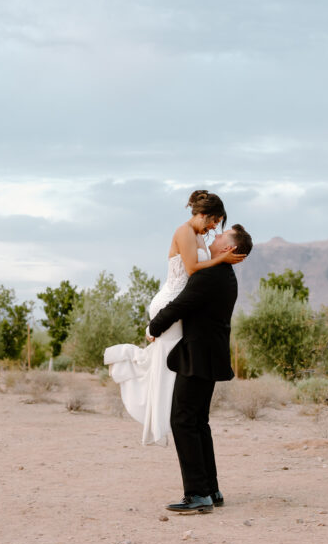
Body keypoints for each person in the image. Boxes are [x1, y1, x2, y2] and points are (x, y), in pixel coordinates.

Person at [104, 191, 245, 446]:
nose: (214, 227)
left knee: (172, 362)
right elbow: (191, 270)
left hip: (183, 304)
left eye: (218, 224)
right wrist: (222, 258)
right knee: (166, 360)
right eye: (214, 221)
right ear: (204, 215)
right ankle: (130, 363)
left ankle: (172, 413)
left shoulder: (200, 237)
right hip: (170, 301)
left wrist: (218, 259)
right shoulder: (184, 232)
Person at [147, 224, 253, 514]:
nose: (215, 236)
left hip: (197, 356)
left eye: (222, 235)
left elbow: (181, 304)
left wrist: (153, 327)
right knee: (198, 422)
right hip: (210, 355)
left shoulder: (210, 275)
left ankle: (197, 494)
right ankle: (211, 489)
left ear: (229, 248)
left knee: (182, 420)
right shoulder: (225, 275)